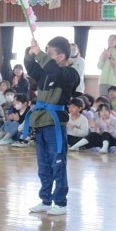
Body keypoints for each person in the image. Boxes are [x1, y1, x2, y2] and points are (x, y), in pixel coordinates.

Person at [24, 36, 80, 216]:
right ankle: (46, 200)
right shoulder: (46, 73)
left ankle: (61, 203)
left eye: (49, 54)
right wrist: (30, 52)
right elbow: (31, 67)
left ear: (61, 56)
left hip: (55, 124)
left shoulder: (69, 74)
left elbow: (55, 71)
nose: (45, 57)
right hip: (40, 122)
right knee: (44, 165)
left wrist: (39, 53)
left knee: (57, 163)